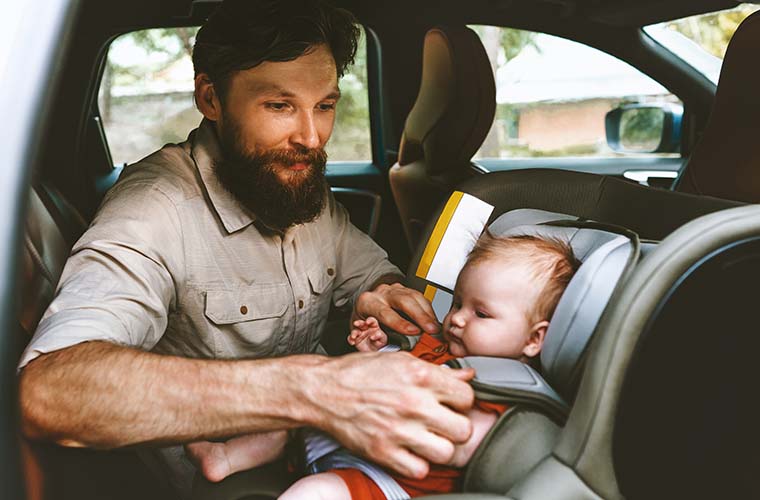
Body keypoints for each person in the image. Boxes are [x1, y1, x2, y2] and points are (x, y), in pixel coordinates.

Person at [16, 0, 475, 497]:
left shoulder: (293, 179)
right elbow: (50, 392)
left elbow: (362, 272)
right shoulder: (153, 211)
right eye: (279, 106)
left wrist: (380, 292)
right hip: (225, 482)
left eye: (324, 105)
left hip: (317, 455)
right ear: (211, 99)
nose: (311, 137)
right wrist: (314, 391)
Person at [188, 232, 581, 498]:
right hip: (338, 432)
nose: (457, 318)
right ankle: (225, 458)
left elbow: (459, 442)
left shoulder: (503, 394)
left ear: (534, 339)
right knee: (287, 415)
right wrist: (372, 354)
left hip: (379, 479)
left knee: (316, 494)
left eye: (481, 313)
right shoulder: (438, 346)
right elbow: (387, 378)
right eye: (459, 303)